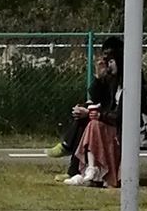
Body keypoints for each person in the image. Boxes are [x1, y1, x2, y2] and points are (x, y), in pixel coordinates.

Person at [47, 36, 123, 173]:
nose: (106, 63)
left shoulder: (129, 80)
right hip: (110, 118)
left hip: (118, 126)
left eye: (110, 59)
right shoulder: (113, 78)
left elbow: (120, 114)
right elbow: (97, 96)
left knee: (87, 119)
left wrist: (95, 114)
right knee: (84, 111)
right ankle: (71, 161)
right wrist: (99, 77)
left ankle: (69, 151)